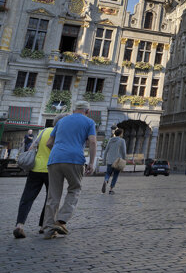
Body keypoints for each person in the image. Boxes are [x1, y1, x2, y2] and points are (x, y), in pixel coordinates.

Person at [42, 101, 97, 239]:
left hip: (55, 159)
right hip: (74, 159)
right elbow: (93, 142)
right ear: (87, 111)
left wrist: (58, 151)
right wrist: (91, 162)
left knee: (53, 195)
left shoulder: (62, 121)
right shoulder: (89, 122)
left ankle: (48, 230)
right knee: (74, 189)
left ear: (73, 110)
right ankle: (61, 221)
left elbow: (49, 143)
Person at [13, 120, 61, 238]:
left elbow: (32, 147)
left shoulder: (44, 131)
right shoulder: (61, 133)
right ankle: (43, 226)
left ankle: (19, 225)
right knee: (50, 199)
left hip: (36, 169)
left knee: (27, 198)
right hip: (52, 170)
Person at [101, 128, 127, 195]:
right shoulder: (122, 141)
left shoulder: (110, 140)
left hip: (110, 161)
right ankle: (111, 189)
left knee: (108, 173)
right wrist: (124, 160)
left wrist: (104, 160)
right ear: (121, 134)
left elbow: (106, 151)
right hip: (118, 161)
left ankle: (106, 180)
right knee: (115, 175)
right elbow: (124, 152)